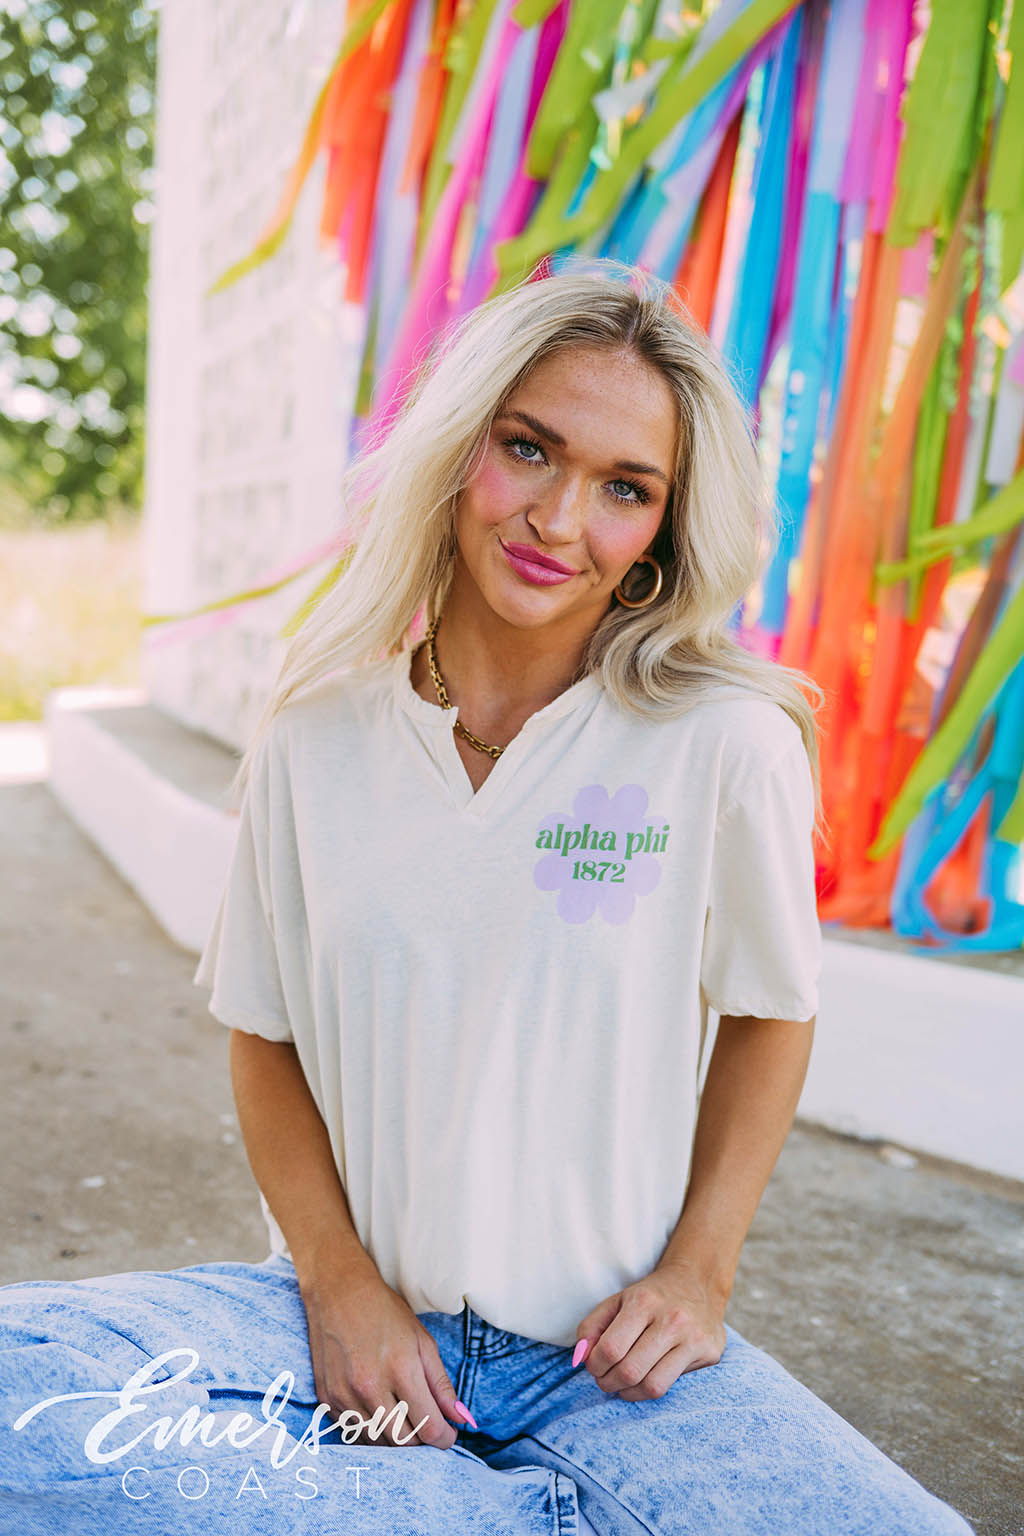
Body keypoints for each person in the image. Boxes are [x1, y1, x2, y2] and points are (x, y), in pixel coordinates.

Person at [0, 258, 975, 1536]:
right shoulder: (316, 732)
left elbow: (769, 1011)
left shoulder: (722, 744)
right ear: (461, 448)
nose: (558, 519)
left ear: (661, 531)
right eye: (528, 449)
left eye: (624, 488)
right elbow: (264, 1035)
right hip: (342, 1341)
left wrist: (698, 1274)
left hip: (608, 1366)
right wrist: (338, 1286)